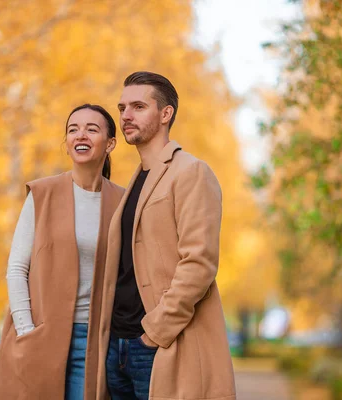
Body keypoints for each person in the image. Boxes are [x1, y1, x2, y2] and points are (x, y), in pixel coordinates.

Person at [95, 72, 236, 400]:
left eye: (138, 106)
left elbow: (199, 263)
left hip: (158, 347)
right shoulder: (135, 181)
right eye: (122, 107)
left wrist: (154, 331)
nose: (126, 116)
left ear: (165, 113)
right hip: (118, 347)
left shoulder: (190, 172)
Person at [0, 104, 125, 400]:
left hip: (96, 343)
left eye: (91, 128)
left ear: (110, 143)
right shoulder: (43, 194)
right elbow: (16, 268)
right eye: (73, 129)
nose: (80, 134)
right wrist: (27, 331)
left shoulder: (123, 201)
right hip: (40, 335)